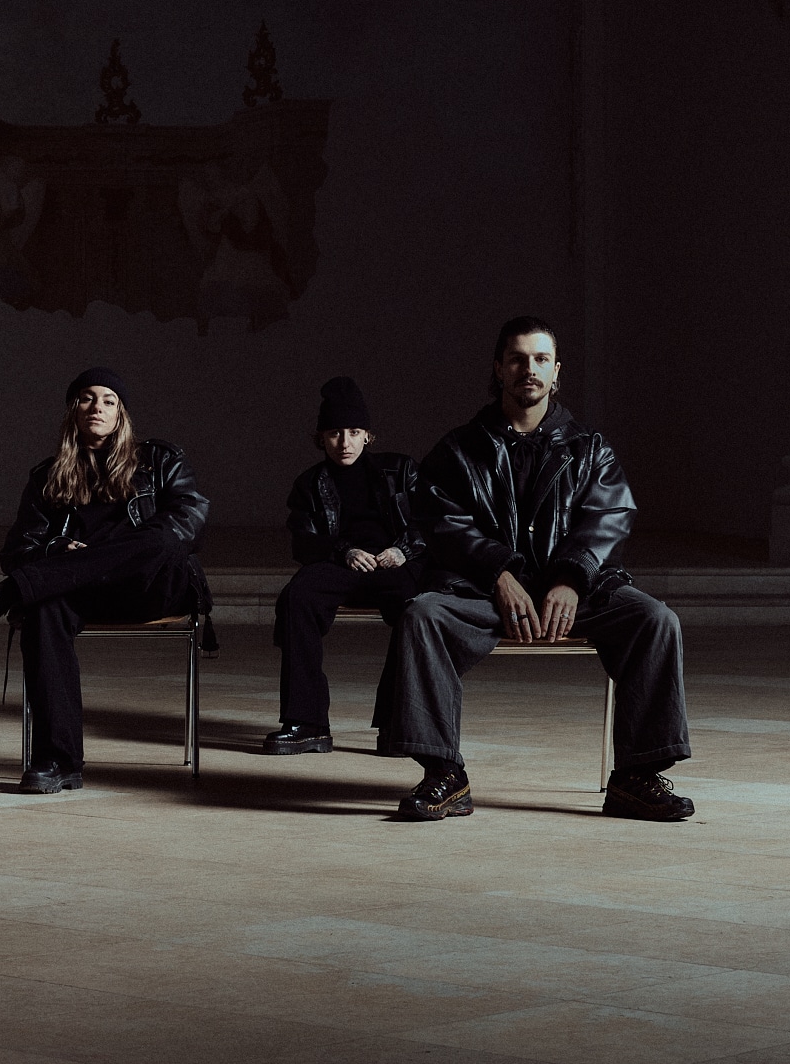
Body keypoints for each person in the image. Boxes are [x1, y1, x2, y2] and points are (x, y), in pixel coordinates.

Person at [381, 315, 694, 823]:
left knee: (655, 620)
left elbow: (609, 516)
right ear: (499, 369)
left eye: (541, 360)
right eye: (518, 359)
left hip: (574, 590)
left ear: (556, 372)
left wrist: (571, 577)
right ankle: (444, 775)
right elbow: (439, 520)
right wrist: (499, 573)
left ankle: (635, 779)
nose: (530, 369)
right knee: (423, 615)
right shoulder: (458, 449)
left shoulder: (590, 449)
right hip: (481, 589)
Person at [0, 368, 211, 793]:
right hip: (87, 592)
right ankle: (58, 761)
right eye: (86, 398)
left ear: (121, 414)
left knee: (162, 540)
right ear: (72, 410)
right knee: (44, 609)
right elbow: (16, 551)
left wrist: (67, 562)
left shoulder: (160, 460)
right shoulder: (46, 476)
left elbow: (190, 522)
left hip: (152, 587)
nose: (97, 407)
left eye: (108, 400)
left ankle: (11, 593)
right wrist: (57, 549)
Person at [267, 376, 428, 754]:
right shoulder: (309, 483)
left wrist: (403, 548)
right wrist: (345, 552)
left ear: (368, 436)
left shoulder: (401, 470)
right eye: (335, 433)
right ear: (320, 438)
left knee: (418, 607)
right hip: (342, 563)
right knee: (298, 597)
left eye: (354, 432)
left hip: (395, 564)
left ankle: (395, 723)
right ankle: (307, 723)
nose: (345, 442)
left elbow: (432, 522)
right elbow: (303, 541)